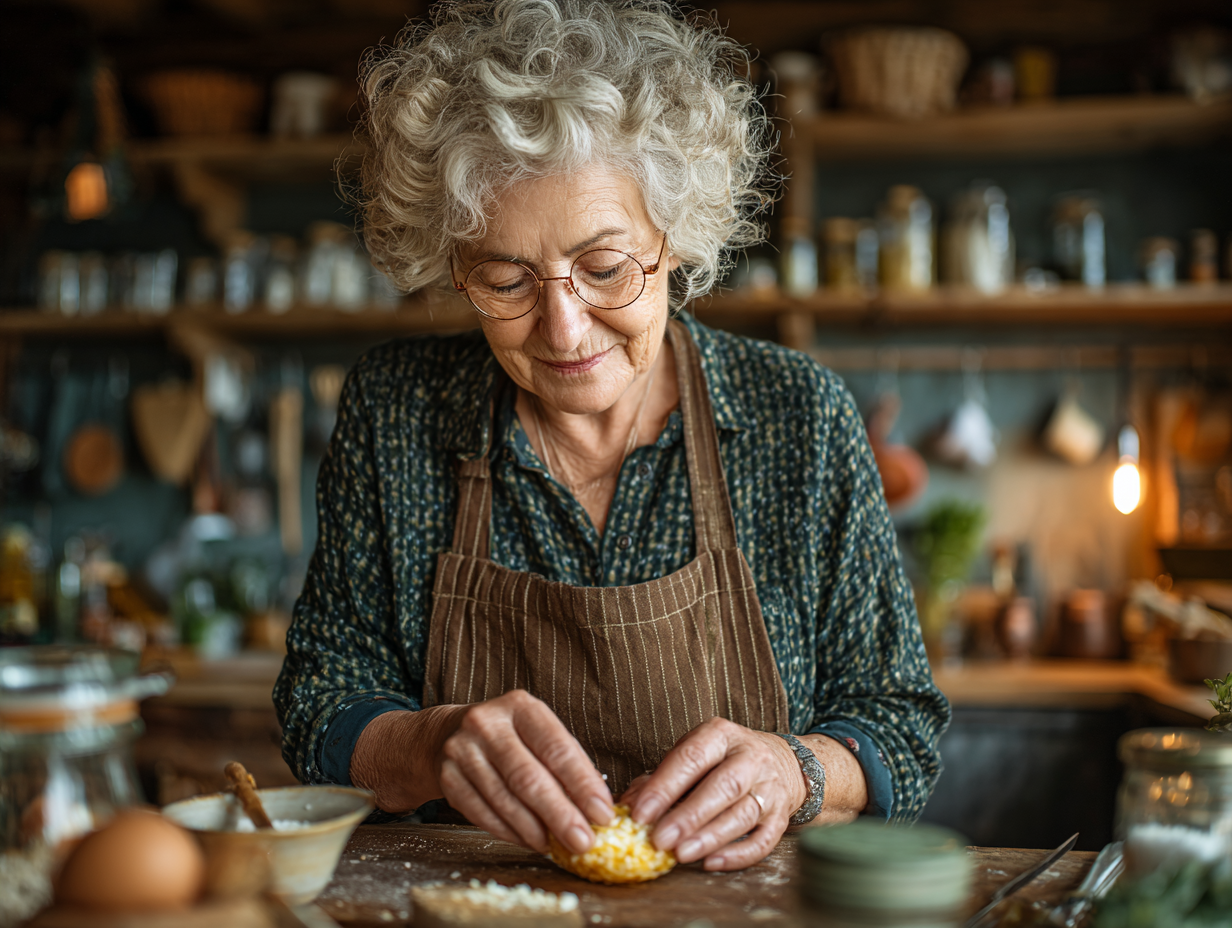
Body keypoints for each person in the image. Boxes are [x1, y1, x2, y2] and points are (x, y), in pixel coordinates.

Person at [275, 0, 949, 872]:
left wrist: (798, 770)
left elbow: (901, 724)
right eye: (506, 279)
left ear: (677, 240)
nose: (563, 330)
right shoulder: (397, 410)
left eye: (603, 269)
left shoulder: (799, 417)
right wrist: (425, 746)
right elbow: (318, 702)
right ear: (452, 265)